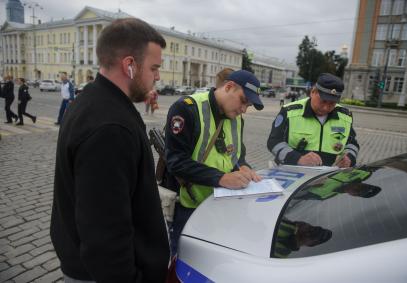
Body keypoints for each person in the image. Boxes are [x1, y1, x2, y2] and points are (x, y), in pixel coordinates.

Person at [50, 18, 170, 283]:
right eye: (154, 68)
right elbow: (104, 233)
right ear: (129, 65)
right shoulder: (110, 127)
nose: (158, 76)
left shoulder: (94, 100)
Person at [165, 69, 264, 255]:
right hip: (189, 206)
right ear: (229, 87)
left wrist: (244, 167)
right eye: (243, 101)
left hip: (222, 206)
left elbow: (236, 155)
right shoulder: (187, 108)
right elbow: (176, 162)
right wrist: (222, 178)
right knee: (183, 260)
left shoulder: (236, 119)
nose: (243, 109)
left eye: (248, 105)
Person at [267, 73, 359, 168]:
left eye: (332, 103)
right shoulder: (289, 111)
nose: (325, 108)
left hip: (329, 176)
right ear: (313, 92)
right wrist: (298, 159)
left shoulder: (345, 116)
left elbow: (352, 144)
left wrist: (349, 158)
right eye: (323, 101)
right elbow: (274, 142)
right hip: (293, 173)